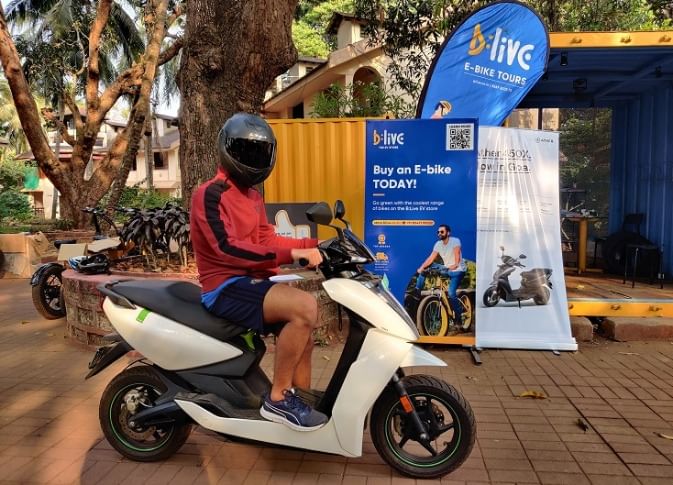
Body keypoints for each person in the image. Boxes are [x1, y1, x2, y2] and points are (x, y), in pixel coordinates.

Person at [190, 112, 328, 432]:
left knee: (305, 336)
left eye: (260, 152)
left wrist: (317, 244)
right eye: (246, 151)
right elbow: (227, 248)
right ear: (228, 150)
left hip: (250, 282)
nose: (254, 159)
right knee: (305, 308)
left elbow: (266, 240)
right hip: (224, 286)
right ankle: (278, 399)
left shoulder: (253, 196)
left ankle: (300, 402)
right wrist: (294, 253)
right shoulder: (210, 193)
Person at [415, 224, 467, 323]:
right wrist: (421, 268)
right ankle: (417, 291)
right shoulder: (438, 244)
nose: (439, 233)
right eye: (438, 232)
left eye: (442, 232)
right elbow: (430, 259)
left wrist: (455, 265)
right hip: (446, 268)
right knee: (426, 267)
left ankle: (459, 316)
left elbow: (457, 255)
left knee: (451, 293)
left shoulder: (455, 241)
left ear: (448, 233)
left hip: (458, 270)